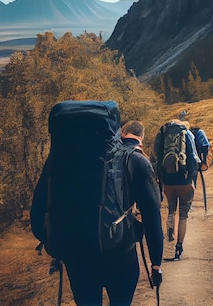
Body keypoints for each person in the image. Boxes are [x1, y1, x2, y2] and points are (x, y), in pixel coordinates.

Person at [52, 120, 163, 306]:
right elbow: (152, 215)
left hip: (79, 257)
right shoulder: (135, 159)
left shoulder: (71, 158)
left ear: (121, 132)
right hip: (120, 255)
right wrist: (156, 264)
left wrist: (58, 247)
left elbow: (49, 208)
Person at [154, 119, 200, 260]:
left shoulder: (162, 133)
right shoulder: (186, 134)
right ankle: (178, 248)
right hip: (184, 180)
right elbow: (192, 157)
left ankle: (170, 234)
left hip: (168, 181)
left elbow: (156, 156)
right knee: (184, 215)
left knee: (171, 209)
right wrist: (192, 177)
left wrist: (161, 178)